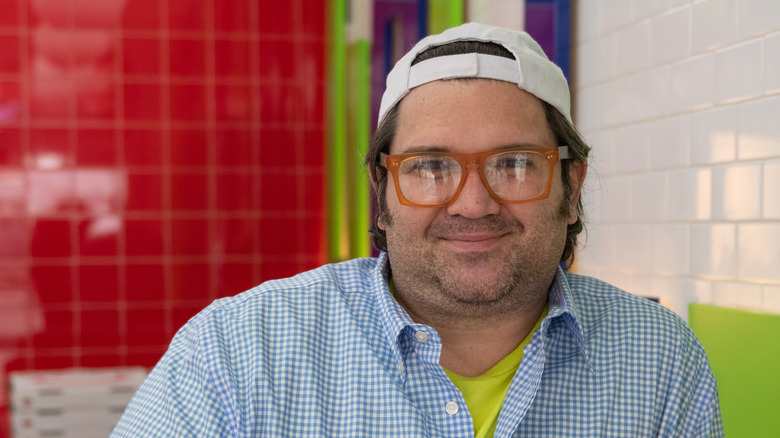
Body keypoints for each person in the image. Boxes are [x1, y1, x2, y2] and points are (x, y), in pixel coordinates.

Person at [111, 23, 723, 437]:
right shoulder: (239, 354)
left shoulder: (662, 360)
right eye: (431, 166)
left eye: (514, 164)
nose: (474, 203)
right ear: (382, 193)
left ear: (572, 187)